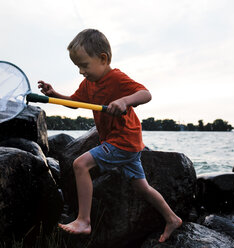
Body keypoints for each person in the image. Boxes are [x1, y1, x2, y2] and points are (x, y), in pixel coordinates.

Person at [38, 29, 182, 243]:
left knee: (80, 165)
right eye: (77, 66)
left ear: (103, 59)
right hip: (128, 144)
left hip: (123, 141)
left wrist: (125, 101)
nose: (80, 71)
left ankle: (84, 220)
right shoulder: (89, 84)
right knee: (141, 187)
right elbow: (76, 103)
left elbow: (145, 94)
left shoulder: (116, 78)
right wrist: (55, 95)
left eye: (84, 65)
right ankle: (172, 218)